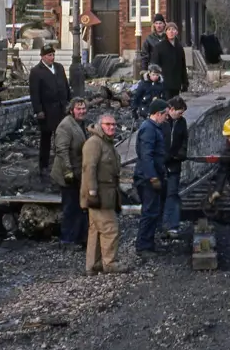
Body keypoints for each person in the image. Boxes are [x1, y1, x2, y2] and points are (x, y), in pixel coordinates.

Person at [81, 114, 130, 275]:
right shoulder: (94, 143)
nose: (111, 127)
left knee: (96, 229)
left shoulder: (105, 143)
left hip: (107, 193)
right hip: (99, 194)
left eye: (114, 125)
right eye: (108, 124)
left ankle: (93, 265)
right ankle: (110, 263)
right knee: (110, 228)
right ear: (100, 125)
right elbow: (89, 168)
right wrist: (92, 192)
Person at [50, 98, 89, 247]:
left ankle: (79, 236)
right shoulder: (65, 126)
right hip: (67, 173)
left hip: (78, 171)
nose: (82, 111)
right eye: (78, 109)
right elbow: (62, 150)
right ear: (71, 110)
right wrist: (68, 172)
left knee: (80, 206)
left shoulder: (80, 124)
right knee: (70, 207)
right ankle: (67, 239)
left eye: (84, 108)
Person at [133, 99, 168, 257]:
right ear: (158, 114)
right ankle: (143, 246)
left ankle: (149, 243)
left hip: (151, 175)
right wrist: (152, 177)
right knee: (149, 211)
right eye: (165, 114)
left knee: (153, 211)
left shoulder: (153, 128)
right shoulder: (149, 129)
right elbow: (146, 156)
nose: (166, 118)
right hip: (147, 178)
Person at [29, 44, 70, 175]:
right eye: (49, 55)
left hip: (61, 108)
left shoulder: (59, 67)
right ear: (42, 57)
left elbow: (65, 86)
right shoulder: (36, 71)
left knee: (62, 138)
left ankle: (62, 163)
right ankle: (44, 165)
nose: (51, 58)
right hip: (47, 110)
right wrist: (38, 110)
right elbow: (34, 93)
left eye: (53, 55)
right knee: (46, 138)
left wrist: (69, 103)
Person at [161, 96, 189, 238]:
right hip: (161, 165)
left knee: (172, 193)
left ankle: (172, 226)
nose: (181, 115)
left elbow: (184, 140)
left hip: (174, 164)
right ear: (171, 109)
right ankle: (162, 224)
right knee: (161, 194)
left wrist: (180, 154)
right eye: (179, 112)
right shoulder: (162, 121)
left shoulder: (181, 122)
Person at [155, 22, 189, 99]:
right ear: (166, 32)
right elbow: (155, 65)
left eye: (173, 29)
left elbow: (183, 66)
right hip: (164, 82)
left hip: (176, 83)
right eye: (169, 29)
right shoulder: (159, 47)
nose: (171, 31)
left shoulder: (179, 47)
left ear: (176, 32)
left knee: (175, 105)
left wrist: (185, 82)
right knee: (166, 105)